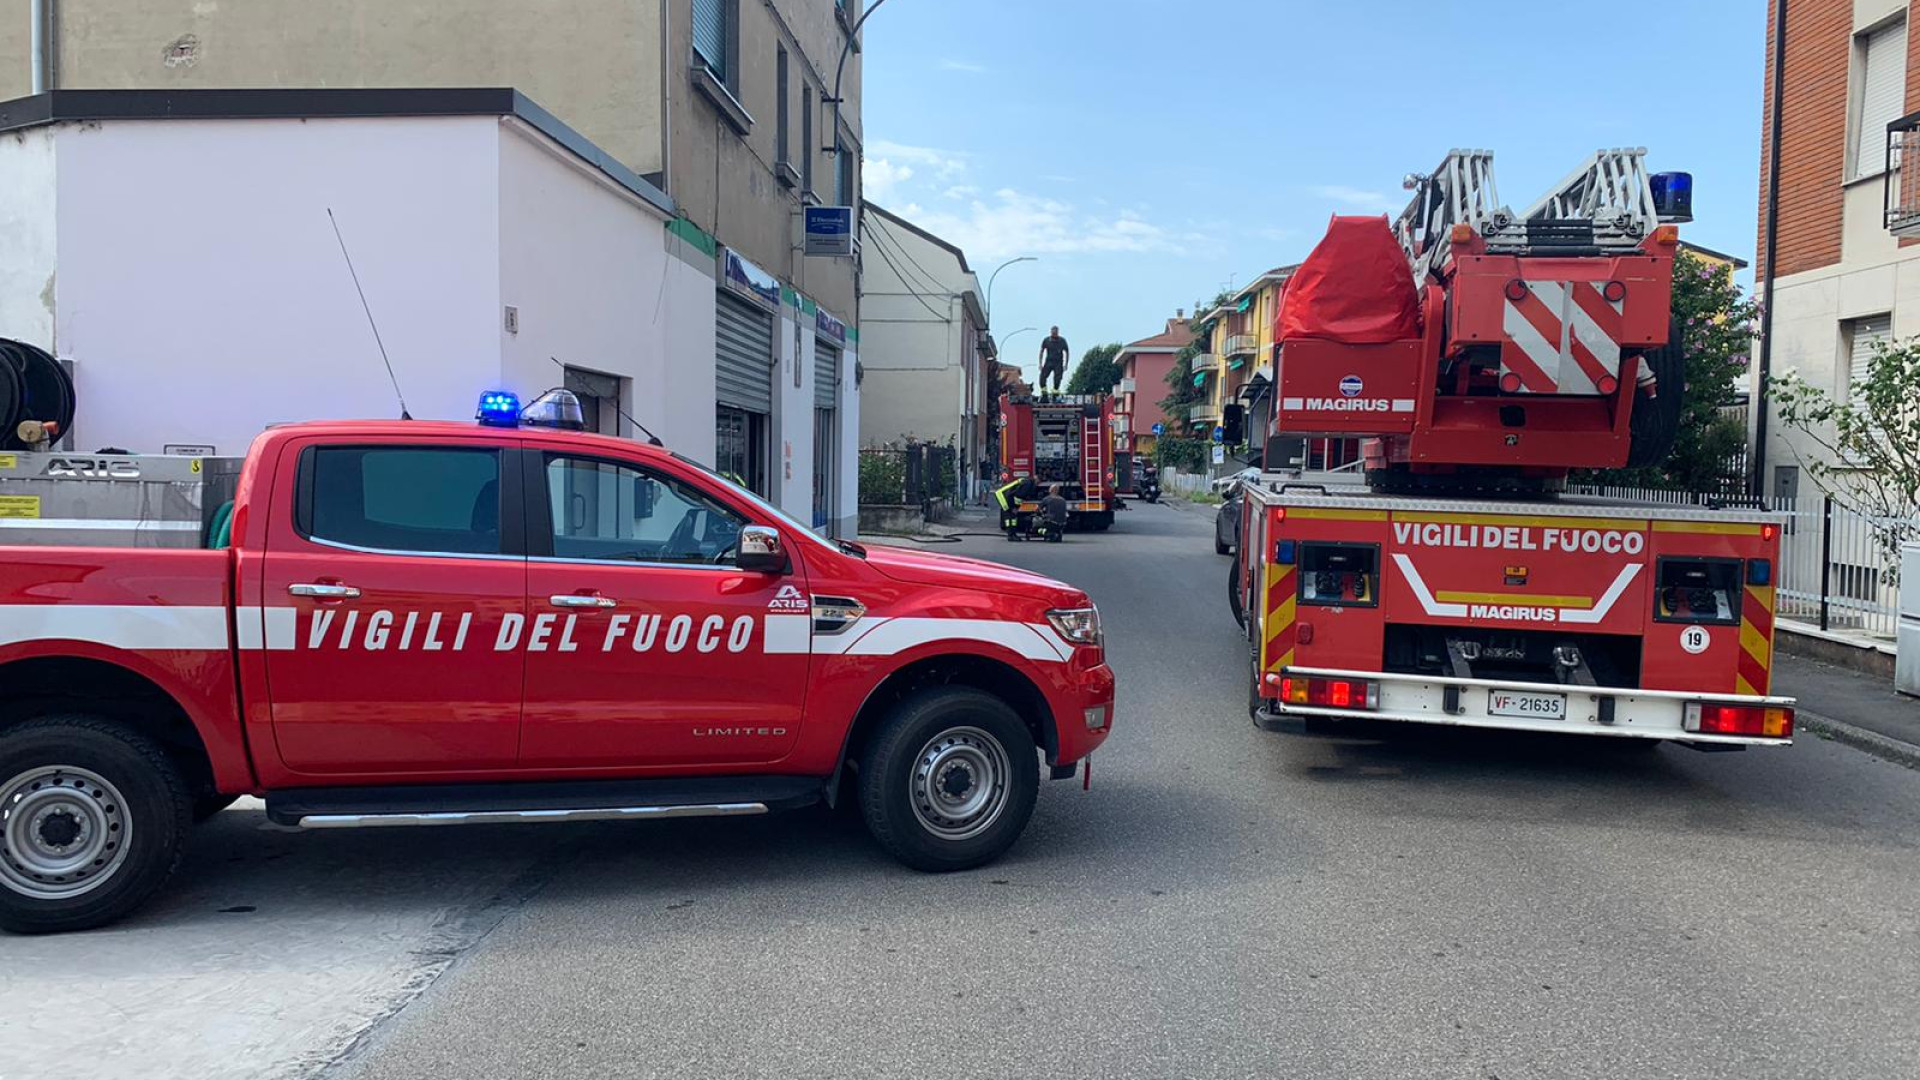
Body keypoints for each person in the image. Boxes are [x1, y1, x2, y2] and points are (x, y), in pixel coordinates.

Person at [1037, 327, 1069, 393]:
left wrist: (1066, 364)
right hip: (1049, 361)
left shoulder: (1062, 341)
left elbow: (1067, 352)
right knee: (1042, 377)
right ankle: (1044, 392)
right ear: (1051, 332)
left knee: (1057, 379)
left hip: (1058, 362)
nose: (1054, 334)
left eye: (1055, 333)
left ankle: (1055, 393)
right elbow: (1041, 351)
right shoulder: (1046, 340)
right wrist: (1040, 364)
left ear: (1058, 332)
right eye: (1053, 333)